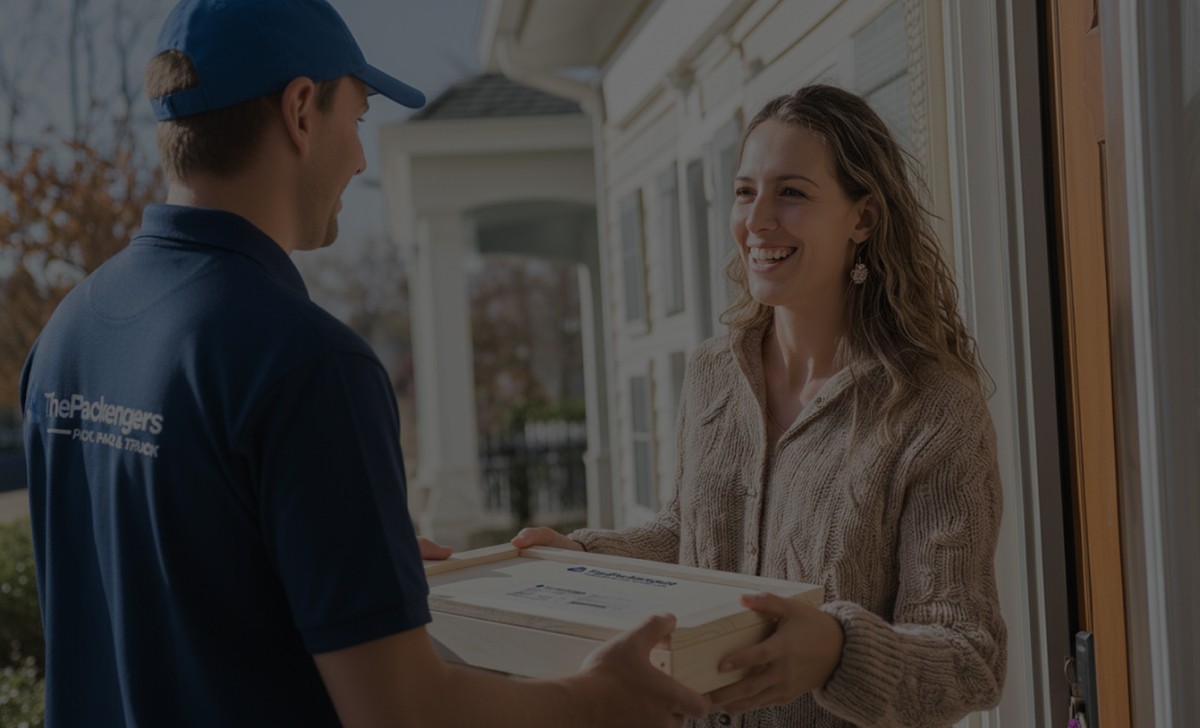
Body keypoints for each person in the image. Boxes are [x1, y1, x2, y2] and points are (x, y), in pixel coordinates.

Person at [17, 1, 709, 726]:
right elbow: (402, 713)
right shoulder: (308, 363)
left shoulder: (68, 333)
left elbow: (167, 581)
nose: (360, 158)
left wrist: (328, 548)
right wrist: (596, 701)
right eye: (359, 117)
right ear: (300, 111)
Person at [514, 84, 1007, 728]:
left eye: (792, 192)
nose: (758, 220)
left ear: (863, 219)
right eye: (746, 192)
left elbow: (969, 659)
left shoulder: (934, 410)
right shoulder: (713, 373)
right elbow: (691, 537)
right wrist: (584, 557)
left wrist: (838, 652)